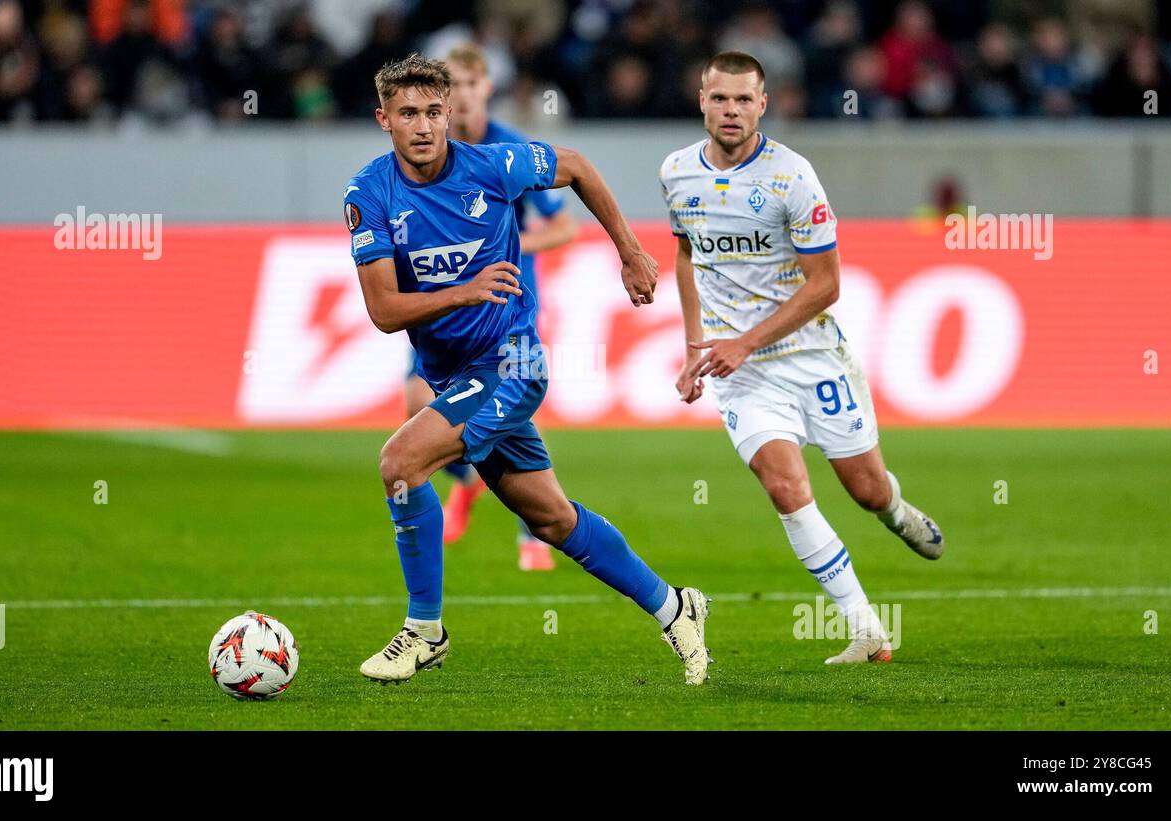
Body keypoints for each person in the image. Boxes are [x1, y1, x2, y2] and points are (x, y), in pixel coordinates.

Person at [345, 54, 710, 684]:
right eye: (409, 114)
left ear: (450, 114)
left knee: (400, 464)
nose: (426, 126)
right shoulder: (369, 193)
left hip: (512, 363)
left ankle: (424, 631)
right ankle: (675, 606)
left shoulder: (493, 164)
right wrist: (464, 289)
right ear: (385, 120)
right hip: (454, 374)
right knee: (552, 519)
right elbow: (382, 310)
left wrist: (628, 250)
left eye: (435, 111)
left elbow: (577, 168)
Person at [663, 51, 944, 665]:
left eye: (743, 100)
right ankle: (867, 629)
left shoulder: (792, 177)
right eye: (719, 98)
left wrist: (744, 341)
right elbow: (687, 257)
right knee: (786, 488)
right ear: (701, 100)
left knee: (866, 491)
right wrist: (695, 346)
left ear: (763, 104)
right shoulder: (677, 172)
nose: (731, 110)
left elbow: (826, 285)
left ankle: (895, 509)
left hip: (812, 357)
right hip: (742, 375)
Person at [399, 42, 577, 572]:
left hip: (503, 305)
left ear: (484, 89)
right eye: (448, 86)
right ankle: (471, 483)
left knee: (511, 414)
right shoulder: (429, 150)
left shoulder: (507, 149)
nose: (460, 96)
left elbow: (564, 223)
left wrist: (513, 249)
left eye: (469, 85)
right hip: (443, 313)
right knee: (416, 400)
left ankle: (534, 528)